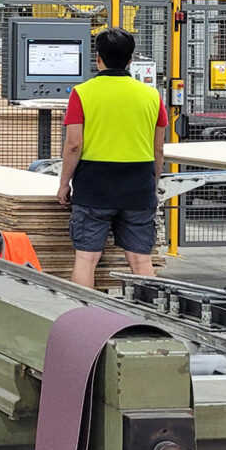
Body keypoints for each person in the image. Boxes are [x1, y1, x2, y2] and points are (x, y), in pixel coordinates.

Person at [56, 27, 167, 288]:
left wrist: (64, 184)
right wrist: (152, 183)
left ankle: (84, 318)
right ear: (130, 60)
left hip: (94, 185)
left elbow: (74, 145)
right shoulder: (152, 95)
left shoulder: (82, 93)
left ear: (98, 58)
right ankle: (149, 317)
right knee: (141, 261)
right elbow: (158, 149)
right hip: (138, 185)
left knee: (86, 258)